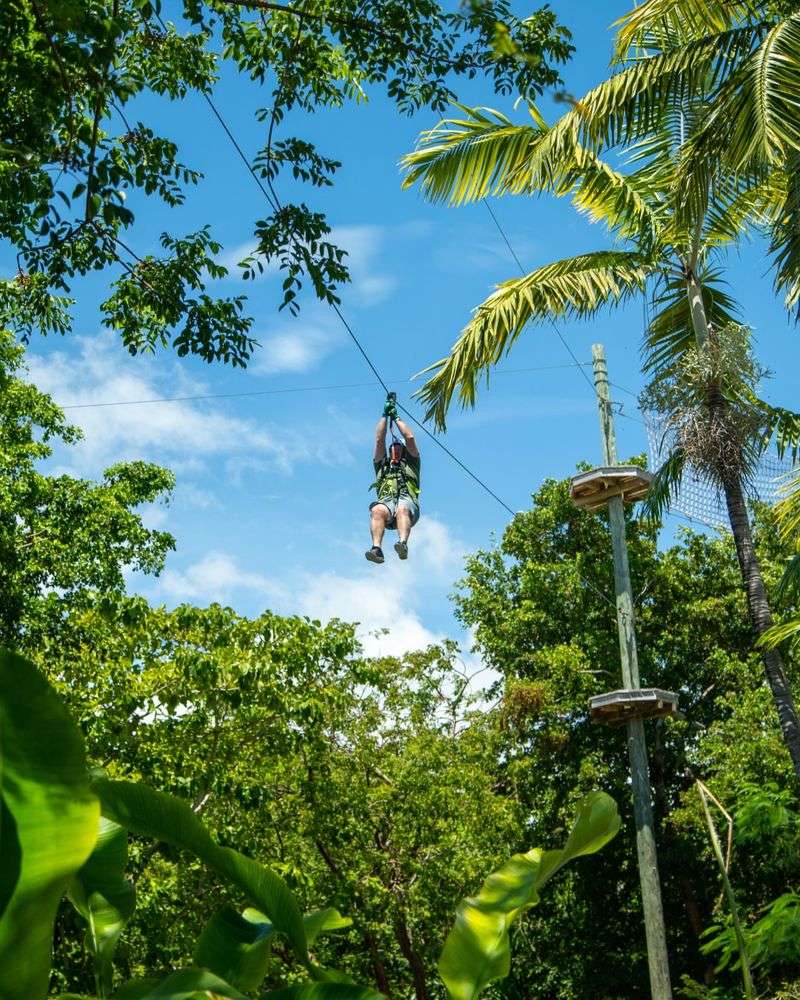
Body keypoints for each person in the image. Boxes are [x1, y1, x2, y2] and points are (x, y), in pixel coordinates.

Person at [366, 396, 421, 564]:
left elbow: (410, 438)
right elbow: (379, 440)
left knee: (403, 509)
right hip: (387, 503)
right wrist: (384, 415)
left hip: (407, 502)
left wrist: (396, 417)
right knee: (377, 510)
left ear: (404, 451)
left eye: (399, 447)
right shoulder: (382, 465)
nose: (395, 449)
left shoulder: (412, 463)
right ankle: (377, 549)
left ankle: (402, 544)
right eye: (393, 448)